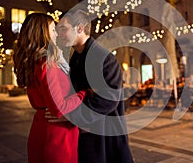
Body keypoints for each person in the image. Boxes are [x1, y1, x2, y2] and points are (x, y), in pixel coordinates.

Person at [49, 9, 134, 163]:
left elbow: (107, 100)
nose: (59, 33)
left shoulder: (104, 58)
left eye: (63, 28)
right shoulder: (77, 57)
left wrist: (71, 116)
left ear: (80, 28)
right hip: (88, 134)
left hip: (104, 137)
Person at [13, 13, 87, 163]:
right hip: (58, 136)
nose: (56, 34)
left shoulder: (33, 61)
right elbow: (59, 109)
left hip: (41, 129)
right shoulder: (47, 63)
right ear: (43, 33)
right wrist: (83, 94)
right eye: (53, 30)